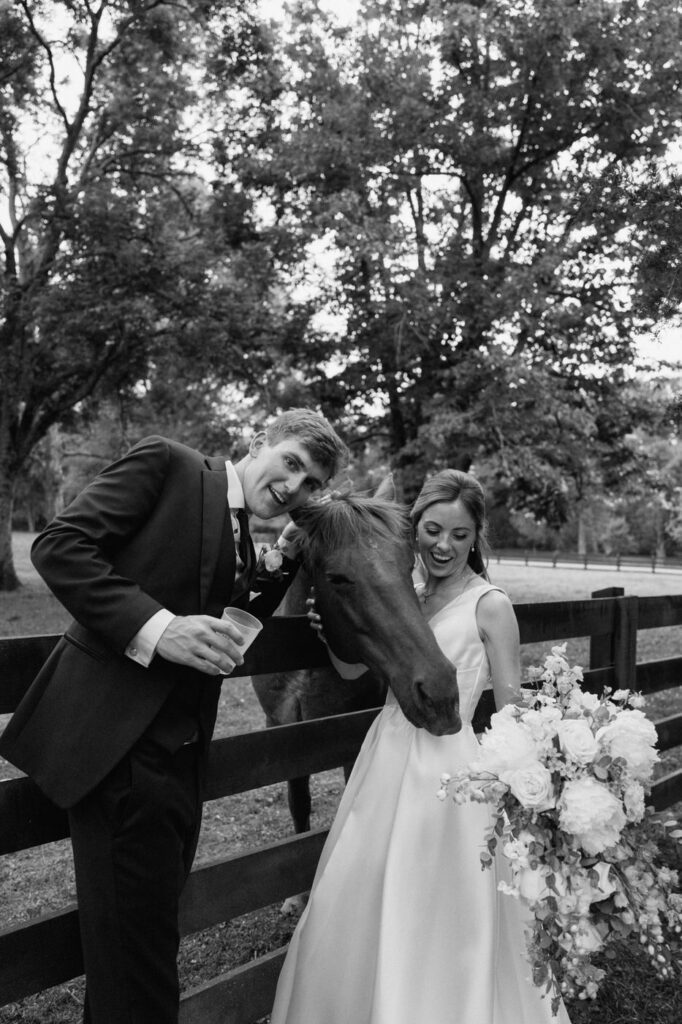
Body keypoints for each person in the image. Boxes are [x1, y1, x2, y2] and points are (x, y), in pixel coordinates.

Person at [0, 408, 348, 1024]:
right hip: (117, 751)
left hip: (181, 766)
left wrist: (284, 561)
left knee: (141, 949)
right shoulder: (171, 465)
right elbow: (60, 545)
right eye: (292, 462)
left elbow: (223, 613)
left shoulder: (251, 534)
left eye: (313, 483)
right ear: (260, 439)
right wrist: (159, 629)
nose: (296, 486)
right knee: (138, 971)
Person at [270, 468, 571, 1024]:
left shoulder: (490, 604)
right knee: (361, 882)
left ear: (477, 535)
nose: (444, 545)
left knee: (436, 897)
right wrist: (325, 627)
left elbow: (511, 708)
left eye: (460, 535)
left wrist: (524, 782)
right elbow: (356, 664)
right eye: (433, 530)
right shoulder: (406, 594)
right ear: (415, 530)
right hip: (386, 753)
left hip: (450, 769)